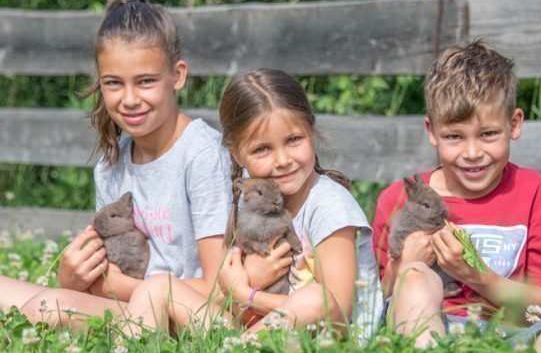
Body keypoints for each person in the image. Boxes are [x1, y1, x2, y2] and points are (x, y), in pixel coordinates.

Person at [0, 0, 232, 325]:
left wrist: (114, 287)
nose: (130, 99)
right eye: (113, 83)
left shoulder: (202, 154)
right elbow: (104, 274)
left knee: (47, 306)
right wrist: (74, 279)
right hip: (129, 305)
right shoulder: (111, 166)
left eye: (146, 81)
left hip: (189, 313)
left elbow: (218, 289)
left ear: (177, 76)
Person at [122, 68, 383, 339]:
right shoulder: (249, 199)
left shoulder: (330, 205)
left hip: (323, 347)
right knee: (156, 288)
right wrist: (237, 295)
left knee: (316, 297)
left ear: (311, 132)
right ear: (238, 154)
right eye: (262, 149)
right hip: (255, 333)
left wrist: (248, 294)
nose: (282, 160)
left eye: (293, 140)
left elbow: (336, 312)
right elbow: (231, 297)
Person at [372, 40, 541, 349]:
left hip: (515, 334)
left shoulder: (537, 192)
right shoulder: (399, 199)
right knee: (415, 278)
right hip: (431, 327)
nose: (472, 153)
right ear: (432, 132)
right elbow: (371, 303)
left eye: (488, 134)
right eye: (454, 137)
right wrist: (404, 266)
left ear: (514, 124)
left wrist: (474, 275)